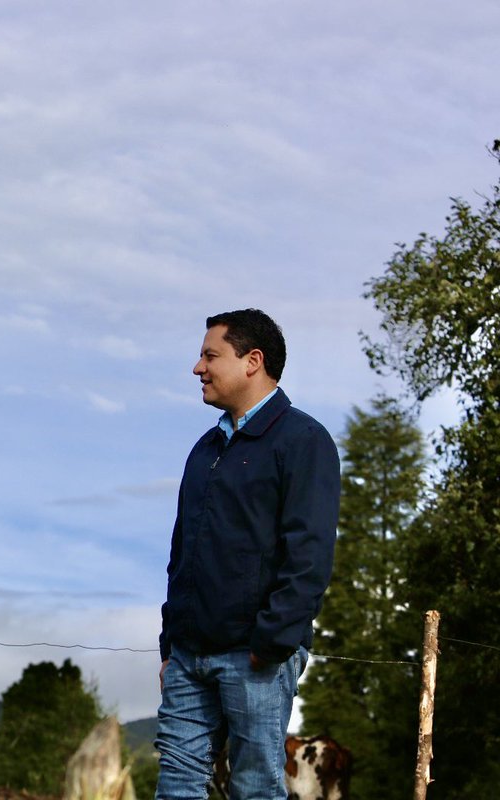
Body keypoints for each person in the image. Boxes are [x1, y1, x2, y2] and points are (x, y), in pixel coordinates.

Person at [154, 309, 340, 800]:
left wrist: (272, 642)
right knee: (175, 784)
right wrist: (171, 645)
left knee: (256, 788)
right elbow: (182, 553)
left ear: (252, 361)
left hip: (256, 657)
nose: (198, 367)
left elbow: (310, 553)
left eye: (210, 355)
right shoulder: (204, 450)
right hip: (189, 657)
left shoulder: (304, 441)